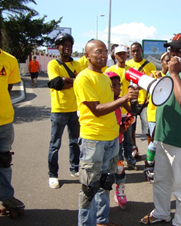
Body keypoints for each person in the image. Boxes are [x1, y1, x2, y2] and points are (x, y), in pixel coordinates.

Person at [140, 33, 181, 226]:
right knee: (161, 181)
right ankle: (161, 212)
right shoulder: (169, 71)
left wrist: (175, 74)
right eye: (170, 49)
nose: (172, 54)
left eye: (178, 50)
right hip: (163, 137)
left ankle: (180, 221)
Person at [74, 39, 138, 226]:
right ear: (87, 55)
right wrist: (125, 97)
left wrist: (130, 102)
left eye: (104, 52)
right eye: (98, 52)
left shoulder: (104, 77)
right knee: (89, 187)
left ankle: (101, 221)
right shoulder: (84, 78)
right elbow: (97, 109)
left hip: (111, 138)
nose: (103, 55)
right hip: (93, 139)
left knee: (105, 182)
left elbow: (112, 105)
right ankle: (87, 224)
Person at [47, 33, 82, 189]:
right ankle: (53, 174)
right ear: (58, 47)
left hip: (74, 110)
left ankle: (74, 168)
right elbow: (56, 84)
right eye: (64, 45)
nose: (67, 48)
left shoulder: (77, 65)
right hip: (59, 110)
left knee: (75, 142)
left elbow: (81, 83)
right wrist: (71, 82)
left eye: (69, 45)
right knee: (55, 144)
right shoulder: (53, 64)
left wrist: (66, 80)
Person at [0, 31, 25, 214]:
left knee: (3, 160)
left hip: (4, 120)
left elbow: (8, 88)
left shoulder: (9, 60)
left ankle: (6, 196)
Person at [105, 71, 134, 210]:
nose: (117, 88)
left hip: (118, 142)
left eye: (119, 84)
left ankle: (120, 189)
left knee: (119, 167)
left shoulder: (120, 100)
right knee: (104, 172)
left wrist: (124, 126)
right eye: (113, 85)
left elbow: (132, 114)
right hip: (103, 142)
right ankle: (102, 197)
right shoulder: (103, 100)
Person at [106, 45, 137, 170]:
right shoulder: (110, 70)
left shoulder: (132, 70)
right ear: (115, 55)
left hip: (127, 111)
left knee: (128, 137)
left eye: (124, 53)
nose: (121, 56)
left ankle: (129, 158)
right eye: (119, 54)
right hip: (114, 110)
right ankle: (118, 163)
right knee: (116, 140)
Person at [144, 52, 171, 183]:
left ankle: (160, 168)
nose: (168, 62)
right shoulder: (154, 74)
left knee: (164, 144)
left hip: (168, 115)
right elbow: (152, 91)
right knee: (154, 142)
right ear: (161, 62)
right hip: (154, 115)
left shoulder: (174, 77)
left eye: (171, 60)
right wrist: (158, 80)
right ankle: (149, 165)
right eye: (166, 60)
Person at [127, 42, 156, 158]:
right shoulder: (128, 65)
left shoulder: (149, 65)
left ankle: (151, 153)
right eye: (133, 51)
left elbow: (153, 84)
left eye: (137, 50)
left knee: (148, 129)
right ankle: (134, 149)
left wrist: (148, 98)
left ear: (142, 51)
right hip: (131, 103)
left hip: (144, 103)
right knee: (131, 129)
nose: (135, 53)